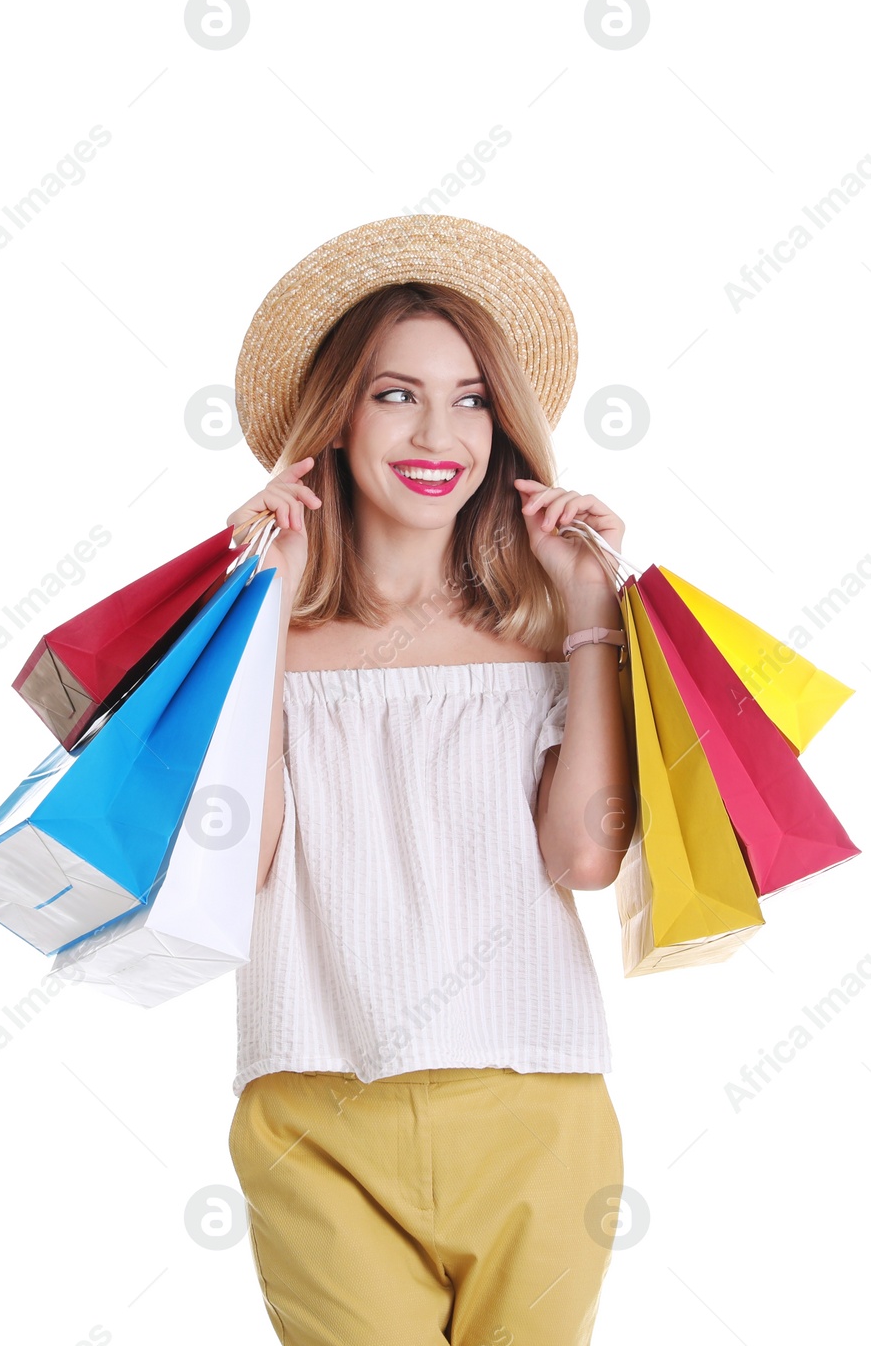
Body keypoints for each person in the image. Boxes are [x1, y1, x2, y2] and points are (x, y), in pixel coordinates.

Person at [224, 215, 633, 1345]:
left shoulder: (552, 631)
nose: (436, 430)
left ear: (503, 426)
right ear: (337, 417)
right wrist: (258, 611)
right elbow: (235, 855)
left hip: (537, 1107)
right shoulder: (261, 636)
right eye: (395, 393)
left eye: (470, 398)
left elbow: (583, 856)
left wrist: (595, 608)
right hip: (312, 1105)